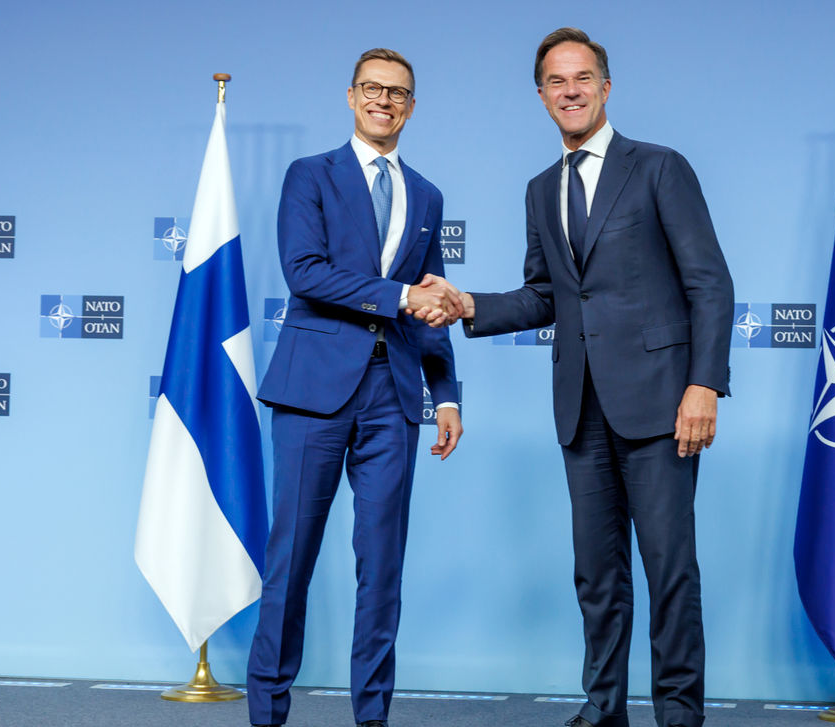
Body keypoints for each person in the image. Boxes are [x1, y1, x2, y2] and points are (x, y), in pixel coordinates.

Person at [418, 27, 733, 727]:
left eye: (582, 78)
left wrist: (704, 383)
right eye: (556, 82)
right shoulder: (540, 190)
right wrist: (470, 304)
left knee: (669, 570)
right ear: (541, 96)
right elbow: (546, 296)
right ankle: (604, 710)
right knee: (597, 576)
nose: (570, 91)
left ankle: (680, 714)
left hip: (661, 403)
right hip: (580, 408)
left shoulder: (659, 168)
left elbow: (709, 282)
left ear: (605, 87)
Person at [246, 48, 465, 727]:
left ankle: (372, 716)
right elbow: (306, 273)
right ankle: (268, 713)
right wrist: (400, 295)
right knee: (292, 560)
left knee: (383, 567)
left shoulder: (426, 194)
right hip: (313, 391)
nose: (384, 100)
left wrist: (447, 391)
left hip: (393, 398)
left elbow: (429, 306)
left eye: (398, 92)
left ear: (412, 105)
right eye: (373, 88)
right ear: (350, 96)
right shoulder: (309, 176)